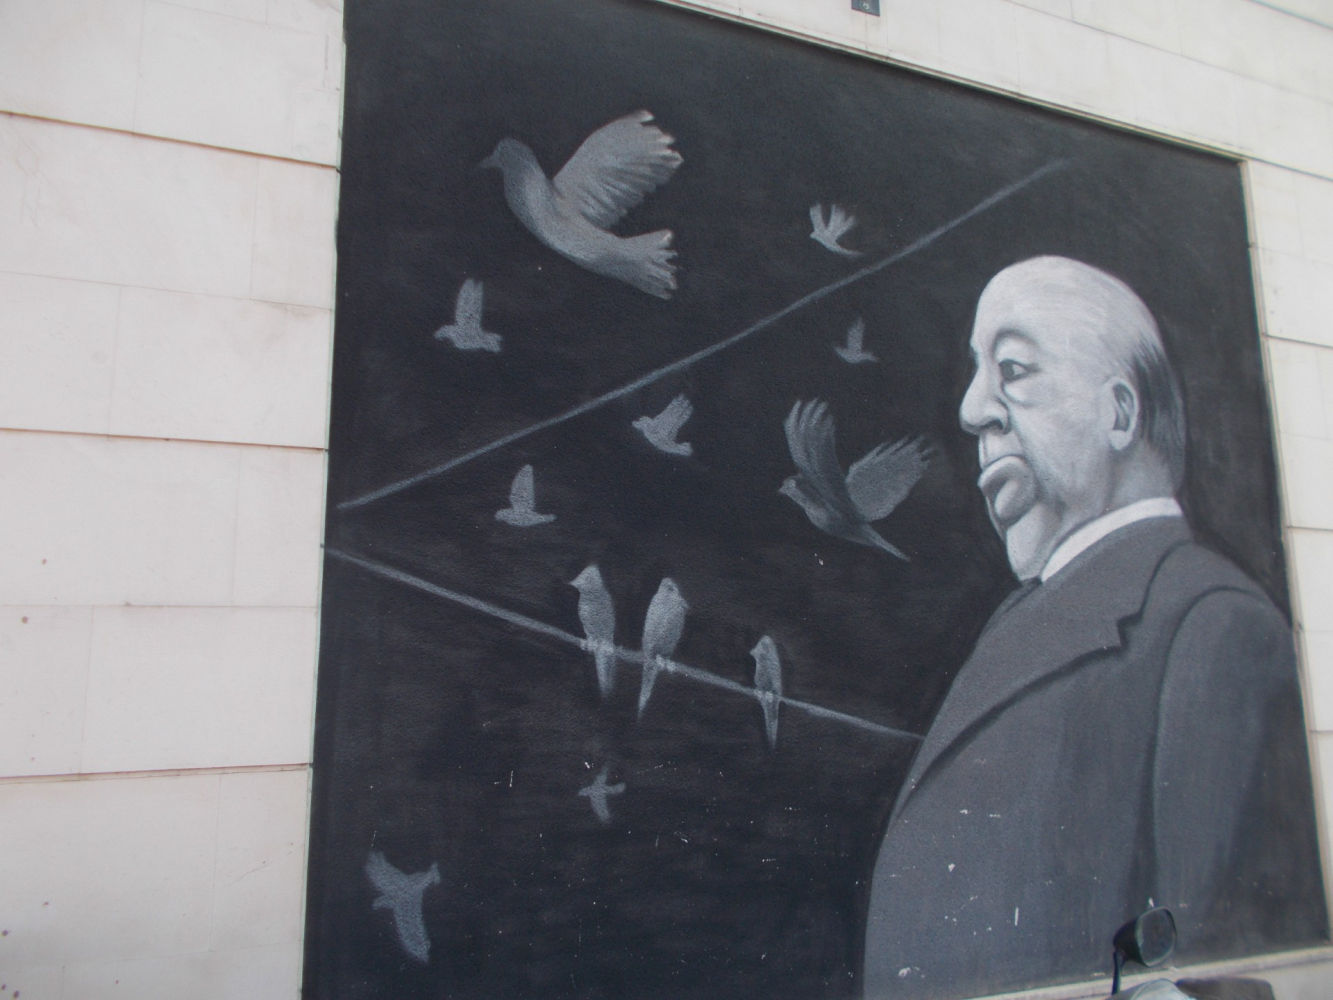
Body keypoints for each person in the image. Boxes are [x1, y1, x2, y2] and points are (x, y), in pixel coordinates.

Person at [861, 257, 1325, 1000]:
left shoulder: (1210, 625)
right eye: (977, 372)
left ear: (1118, 412)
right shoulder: (1027, 618)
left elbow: (1221, 976)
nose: (971, 409)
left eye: (1011, 369)